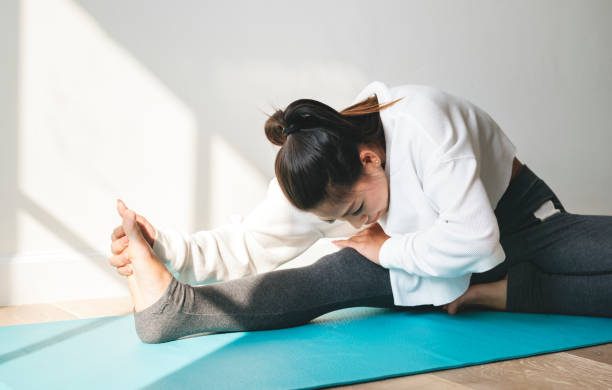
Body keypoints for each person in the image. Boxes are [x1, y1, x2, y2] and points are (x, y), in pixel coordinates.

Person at [109, 81, 612, 344]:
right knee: (327, 279)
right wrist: (166, 248)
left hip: (519, 222)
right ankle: (175, 309)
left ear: (370, 159)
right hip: (428, 256)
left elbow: (480, 240)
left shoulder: (426, 126)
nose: (356, 224)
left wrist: (389, 246)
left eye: (356, 208)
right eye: (341, 218)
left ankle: (497, 293)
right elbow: (251, 243)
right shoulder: (322, 171)